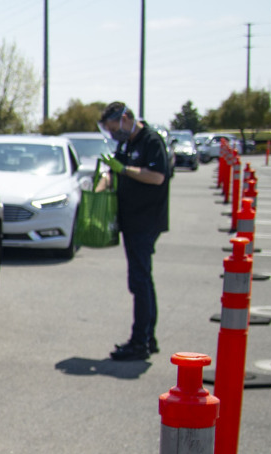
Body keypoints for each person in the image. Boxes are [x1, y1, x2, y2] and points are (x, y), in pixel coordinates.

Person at [96, 102, 171, 361]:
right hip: (131, 221)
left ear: (126, 118)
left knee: (140, 280)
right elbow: (112, 171)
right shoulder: (126, 144)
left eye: (115, 127)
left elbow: (157, 176)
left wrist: (125, 170)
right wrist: (101, 185)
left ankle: (140, 341)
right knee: (140, 280)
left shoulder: (151, 141)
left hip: (146, 221)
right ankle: (148, 337)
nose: (114, 133)